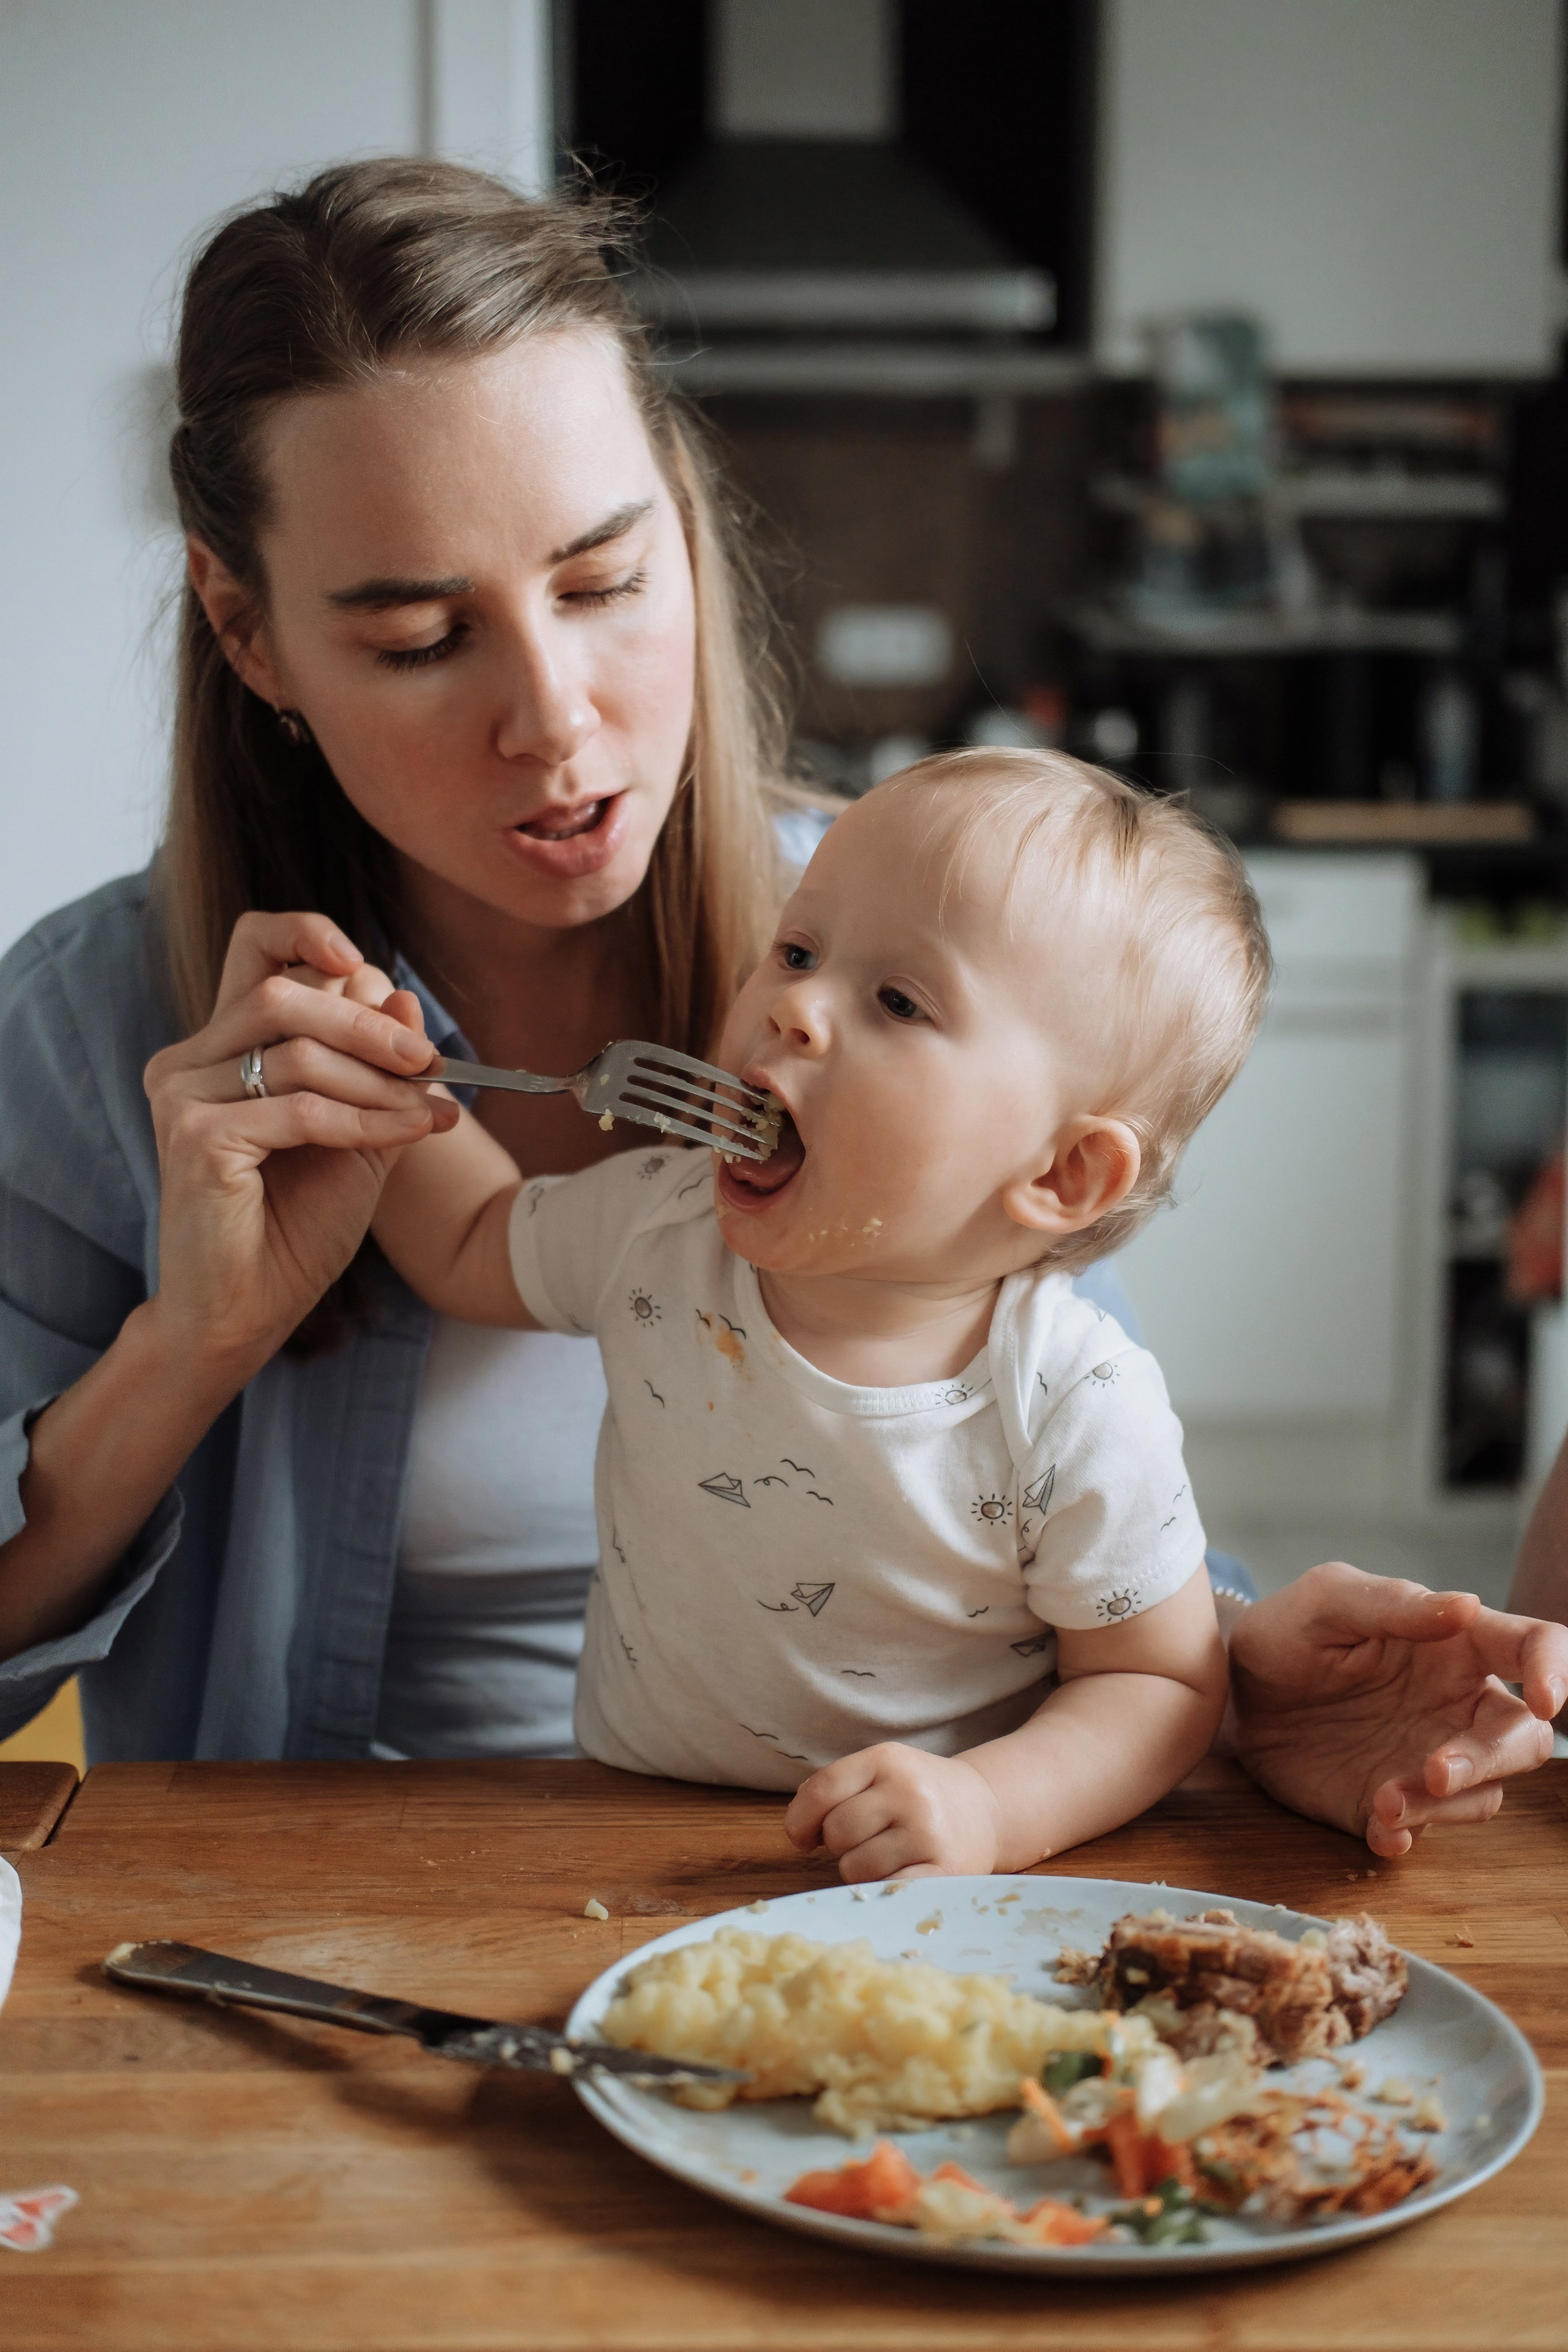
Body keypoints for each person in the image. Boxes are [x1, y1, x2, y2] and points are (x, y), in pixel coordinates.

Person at [0, 159, 1561, 1856]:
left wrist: (1242, 1697)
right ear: (252, 634)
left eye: (603, 585)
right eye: (426, 636)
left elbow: (1024, 1516)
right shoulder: (96, 1034)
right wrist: (195, 1342)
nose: (557, 721)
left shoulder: (931, 937)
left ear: (684, 522)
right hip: (323, 1903)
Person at [355, 748, 1267, 1878]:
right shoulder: (663, 1222)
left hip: (918, 1879)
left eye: (898, 1001)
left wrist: (984, 1808)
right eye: (797, 952)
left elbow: (1159, 1682)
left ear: (1066, 1174)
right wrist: (383, 1084)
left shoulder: (1074, 1399)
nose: (793, 1008)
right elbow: (471, 1238)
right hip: (622, 1839)